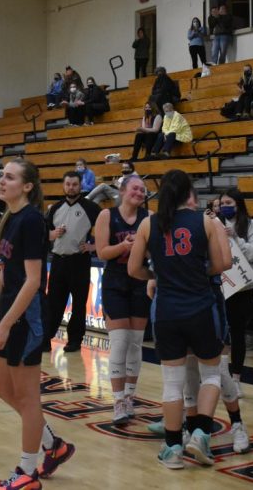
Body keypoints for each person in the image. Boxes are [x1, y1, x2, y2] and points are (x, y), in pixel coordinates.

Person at [0, 158, 75, 490]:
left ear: (27, 186)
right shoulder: (10, 218)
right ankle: (54, 445)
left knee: (28, 397)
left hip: (28, 318)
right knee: (3, 389)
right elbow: (7, 271)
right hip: (9, 313)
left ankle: (27, 472)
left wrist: (6, 324)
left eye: (9, 177)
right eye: (1, 176)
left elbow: (33, 280)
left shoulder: (33, 220)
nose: (1, 181)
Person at [128, 169, 232, 469]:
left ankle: (173, 449)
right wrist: (198, 273)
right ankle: (200, 433)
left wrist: (158, 275)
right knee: (210, 375)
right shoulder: (205, 221)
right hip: (200, 306)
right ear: (190, 192)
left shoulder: (149, 223)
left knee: (172, 384)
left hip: (166, 311)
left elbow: (134, 269)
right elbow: (223, 263)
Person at [94, 174, 152, 424]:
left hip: (139, 281)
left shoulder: (148, 219)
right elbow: (102, 252)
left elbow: (152, 250)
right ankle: (118, 400)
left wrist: (140, 248)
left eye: (143, 190)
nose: (140, 193)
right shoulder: (107, 215)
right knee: (119, 342)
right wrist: (125, 247)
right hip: (115, 282)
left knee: (135, 344)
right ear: (123, 189)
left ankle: (130, 397)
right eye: (136, 189)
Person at [215, 189, 253, 398]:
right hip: (221, 284)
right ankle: (219, 377)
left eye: (229, 202)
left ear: (238, 204)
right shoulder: (214, 223)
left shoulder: (251, 225)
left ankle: (236, 379)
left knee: (237, 333)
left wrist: (236, 238)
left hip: (243, 287)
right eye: (222, 202)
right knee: (219, 333)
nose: (225, 206)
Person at [44, 171, 100, 352]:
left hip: (79, 262)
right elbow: (44, 232)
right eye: (68, 184)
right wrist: (51, 234)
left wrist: (94, 247)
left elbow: (107, 229)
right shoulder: (55, 208)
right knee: (53, 303)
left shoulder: (91, 207)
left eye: (74, 184)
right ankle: (45, 338)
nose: (71, 187)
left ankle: (74, 340)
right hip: (58, 261)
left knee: (78, 303)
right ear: (63, 185)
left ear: (80, 185)